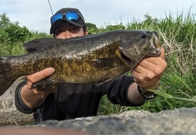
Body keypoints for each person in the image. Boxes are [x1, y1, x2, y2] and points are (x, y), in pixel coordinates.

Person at [15, 7, 167, 122]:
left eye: (74, 29)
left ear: (86, 33)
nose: (67, 35)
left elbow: (126, 91)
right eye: (60, 31)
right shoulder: (45, 60)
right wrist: (38, 90)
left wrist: (146, 87)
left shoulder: (103, 61)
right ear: (54, 38)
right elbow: (24, 103)